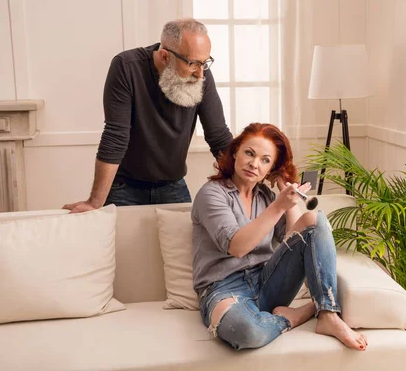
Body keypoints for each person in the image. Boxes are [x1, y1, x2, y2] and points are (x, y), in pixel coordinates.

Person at [191, 122, 368, 351]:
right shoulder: (211, 193)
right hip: (223, 289)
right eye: (249, 153)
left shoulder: (264, 195)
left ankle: (328, 314)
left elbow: (296, 240)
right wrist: (278, 206)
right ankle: (297, 316)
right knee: (248, 333)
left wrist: (288, 194)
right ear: (235, 153)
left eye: (265, 160)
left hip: (268, 281)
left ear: (270, 169)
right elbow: (237, 247)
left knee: (315, 220)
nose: (254, 164)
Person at [63, 18, 232, 213]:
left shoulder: (201, 74)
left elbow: (218, 136)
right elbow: (116, 136)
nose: (200, 74)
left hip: (173, 186)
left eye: (205, 63)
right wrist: (94, 202)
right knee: (121, 243)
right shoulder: (127, 66)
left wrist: (247, 189)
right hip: (124, 188)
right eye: (193, 63)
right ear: (165, 56)